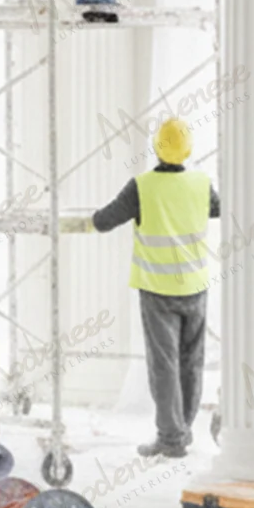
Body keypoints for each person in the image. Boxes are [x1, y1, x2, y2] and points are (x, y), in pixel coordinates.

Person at [67, 116, 219, 458]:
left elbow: (104, 221)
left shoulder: (142, 187)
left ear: (156, 148)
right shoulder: (201, 184)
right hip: (196, 288)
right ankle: (182, 431)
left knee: (164, 364)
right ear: (188, 149)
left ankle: (171, 439)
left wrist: (76, 222)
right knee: (191, 361)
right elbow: (219, 209)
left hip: (158, 291)